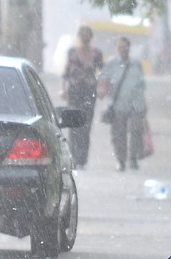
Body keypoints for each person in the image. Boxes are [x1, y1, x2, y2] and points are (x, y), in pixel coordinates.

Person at [98, 37, 146, 172]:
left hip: (136, 104)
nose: (123, 50)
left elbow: (141, 85)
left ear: (129, 48)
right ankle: (121, 160)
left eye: (125, 47)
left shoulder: (136, 64)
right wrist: (102, 90)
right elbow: (103, 79)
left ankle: (133, 158)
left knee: (136, 131)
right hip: (118, 104)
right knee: (118, 134)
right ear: (116, 49)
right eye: (120, 47)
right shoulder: (111, 64)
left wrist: (144, 103)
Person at [60, 25, 103, 169]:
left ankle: (82, 159)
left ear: (91, 37)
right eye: (82, 35)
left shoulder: (96, 53)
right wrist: (63, 88)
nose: (85, 38)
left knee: (85, 126)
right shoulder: (72, 52)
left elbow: (102, 71)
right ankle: (73, 157)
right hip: (74, 92)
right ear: (79, 36)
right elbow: (66, 72)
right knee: (73, 126)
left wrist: (102, 86)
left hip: (89, 92)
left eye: (87, 35)